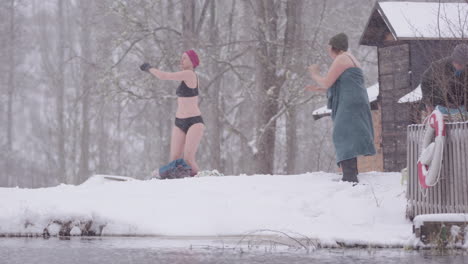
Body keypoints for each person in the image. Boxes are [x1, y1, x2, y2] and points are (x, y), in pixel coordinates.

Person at [306, 33, 376, 183]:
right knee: (349, 135)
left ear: (334, 47)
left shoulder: (342, 58)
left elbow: (326, 82)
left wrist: (314, 74)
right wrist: (318, 89)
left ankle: (349, 176)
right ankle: (351, 172)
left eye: (329, 47)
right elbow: (342, 84)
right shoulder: (350, 58)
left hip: (350, 102)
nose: (328, 50)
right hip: (358, 100)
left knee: (342, 135)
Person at [140, 50, 204, 177]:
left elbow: (165, 76)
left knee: (188, 159)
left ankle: (203, 180)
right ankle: (176, 186)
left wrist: (149, 68)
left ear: (192, 61)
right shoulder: (185, 76)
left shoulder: (190, 74)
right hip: (179, 122)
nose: (181, 61)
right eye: (181, 58)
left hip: (194, 122)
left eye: (184, 58)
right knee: (174, 159)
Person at [420, 43, 468, 121]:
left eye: (463, 64)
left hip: (461, 109)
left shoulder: (466, 71)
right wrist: (428, 103)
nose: (460, 66)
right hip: (439, 106)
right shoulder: (439, 67)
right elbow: (425, 82)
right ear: (454, 60)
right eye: (458, 63)